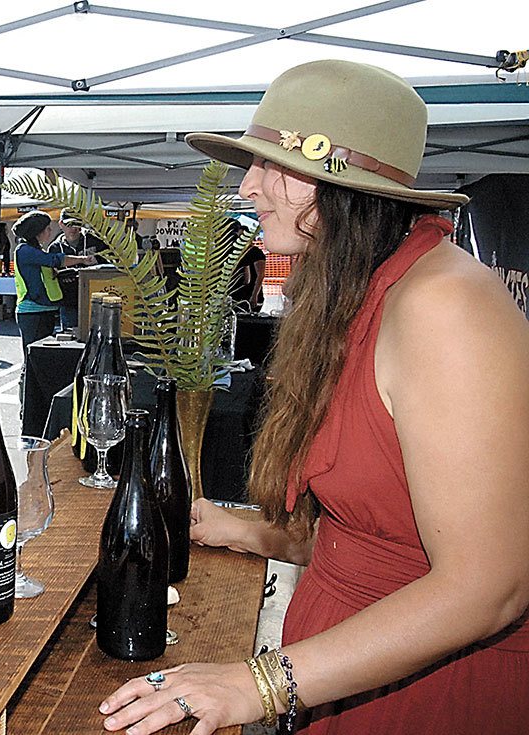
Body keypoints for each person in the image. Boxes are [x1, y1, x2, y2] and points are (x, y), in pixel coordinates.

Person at [99, 60, 529, 735]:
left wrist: (258, 682)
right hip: (345, 675)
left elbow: (490, 586)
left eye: (272, 166)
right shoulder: (354, 293)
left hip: (432, 698)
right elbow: (376, 534)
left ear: (342, 184)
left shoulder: (446, 303)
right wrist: (241, 528)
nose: (247, 187)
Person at [12, 210, 96, 356]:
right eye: (47, 228)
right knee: (33, 355)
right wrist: (82, 259)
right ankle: (25, 379)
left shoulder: (36, 249)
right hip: (32, 311)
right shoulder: (24, 250)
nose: (51, 231)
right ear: (37, 232)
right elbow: (55, 260)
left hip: (45, 309)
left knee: (43, 354)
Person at [46, 210, 100, 331]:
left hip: (95, 298)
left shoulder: (94, 240)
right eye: (69, 225)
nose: (74, 229)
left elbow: (109, 263)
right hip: (68, 300)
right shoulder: (55, 248)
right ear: (61, 224)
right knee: (70, 335)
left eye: (77, 224)